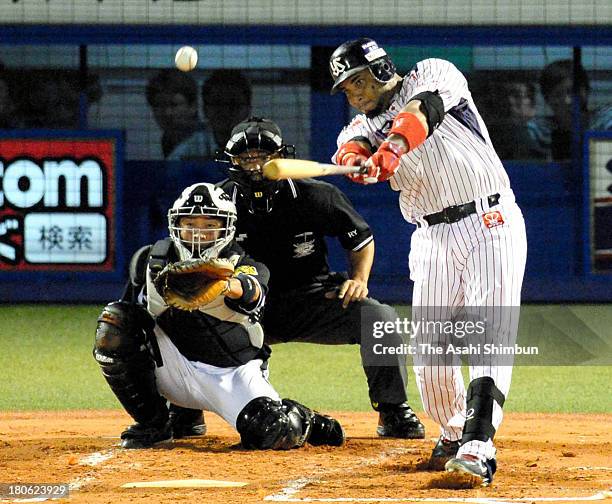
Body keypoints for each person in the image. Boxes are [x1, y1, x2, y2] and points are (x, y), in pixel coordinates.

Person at [329, 38, 527, 485]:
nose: (353, 93)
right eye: (345, 87)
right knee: (430, 355)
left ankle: (479, 446)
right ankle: (456, 432)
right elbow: (351, 146)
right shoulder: (358, 124)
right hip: (431, 236)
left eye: (358, 80)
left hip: (488, 219)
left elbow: (418, 115)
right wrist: (359, 161)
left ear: (382, 70)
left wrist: (391, 151)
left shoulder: (433, 73)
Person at [93, 182, 345, 450]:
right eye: (190, 225)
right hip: (173, 366)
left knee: (273, 431)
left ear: (226, 229)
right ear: (176, 225)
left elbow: (252, 292)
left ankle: (306, 420)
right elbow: (130, 318)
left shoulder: (246, 264)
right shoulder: (149, 261)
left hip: (232, 373)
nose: (198, 234)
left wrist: (222, 285)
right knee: (115, 324)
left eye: (209, 226)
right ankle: (156, 424)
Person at [217, 116, 426, 440]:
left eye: (264, 157)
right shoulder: (218, 203)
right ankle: (183, 415)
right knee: (186, 319)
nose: (256, 166)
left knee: (378, 318)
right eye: (247, 158)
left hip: (312, 300)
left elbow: (360, 240)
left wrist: (359, 279)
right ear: (233, 162)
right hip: (246, 308)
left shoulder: (315, 195)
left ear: (282, 157)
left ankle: (393, 410)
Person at [528, 59, 612, 160]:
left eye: (572, 92)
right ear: (547, 100)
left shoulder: (604, 122)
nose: (567, 101)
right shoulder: (541, 132)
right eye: (557, 95)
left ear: (586, 91)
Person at [146, 69, 213, 160]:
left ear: (193, 106)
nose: (167, 113)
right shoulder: (167, 140)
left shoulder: (207, 143)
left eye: (174, 105)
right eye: (160, 105)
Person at [201, 69, 252, 152]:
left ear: (248, 109)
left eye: (233, 104)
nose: (225, 112)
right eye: (218, 104)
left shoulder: (264, 150)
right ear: (204, 110)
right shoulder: (187, 151)